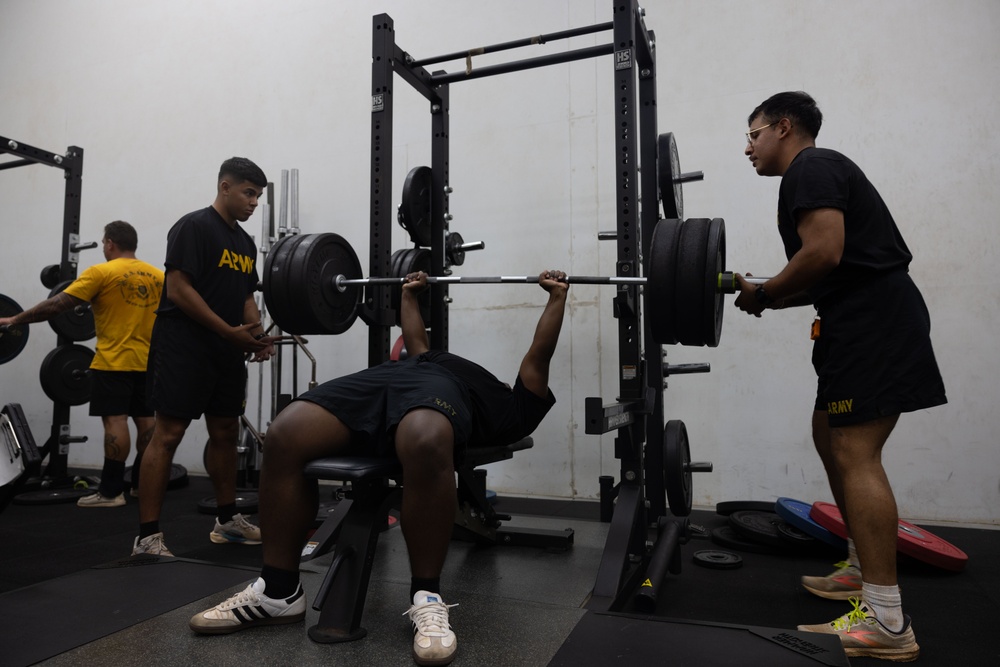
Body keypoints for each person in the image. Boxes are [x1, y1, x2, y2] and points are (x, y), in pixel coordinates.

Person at [188, 269, 569, 666]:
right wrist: (410, 294)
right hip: (389, 379)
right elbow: (416, 341)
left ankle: (427, 597)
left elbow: (538, 354)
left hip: (437, 397)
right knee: (285, 432)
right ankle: (278, 592)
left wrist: (556, 298)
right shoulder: (430, 357)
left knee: (424, 438)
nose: (510, 382)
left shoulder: (513, 411)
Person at [735, 91, 947, 662]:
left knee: (858, 453)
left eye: (753, 134)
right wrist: (762, 297)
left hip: (872, 320)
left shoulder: (812, 166)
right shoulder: (812, 173)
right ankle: (861, 568)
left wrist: (769, 289)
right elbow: (825, 271)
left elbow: (824, 253)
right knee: (829, 434)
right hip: (853, 317)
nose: (747, 146)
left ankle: (887, 621)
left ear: (784, 127)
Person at [132, 157, 275, 556]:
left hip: (224, 349)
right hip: (184, 345)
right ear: (224, 187)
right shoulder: (193, 226)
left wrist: (257, 335)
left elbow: (247, 296)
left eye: (258, 196)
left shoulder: (244, 243)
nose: (253, 203)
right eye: (248, 193)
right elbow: (178, 289)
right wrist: (228, 331)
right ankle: (147, 538)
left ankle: (227, 521)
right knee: (169, 434)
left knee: (227, 431)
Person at [0, 221, 163, 507]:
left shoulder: (102, 272)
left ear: (110, 243)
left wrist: (15, 319)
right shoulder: (158, 276)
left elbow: (56, 306)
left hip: (114, 361)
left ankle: (112, 492)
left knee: (116, 421)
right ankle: (140, 485)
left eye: (103, 243)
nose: (103, 248)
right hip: (149, 362)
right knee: (148, 424)